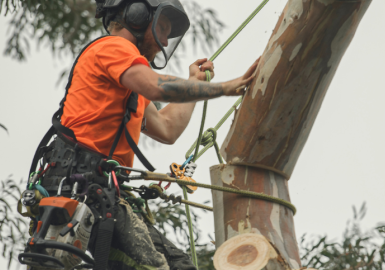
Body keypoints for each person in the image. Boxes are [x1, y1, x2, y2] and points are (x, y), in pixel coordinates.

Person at [25, 0, 259, 269]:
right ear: (136, 16)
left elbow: (167, 127)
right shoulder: (112, 47)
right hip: (84, 188)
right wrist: (225, 88)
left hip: (102, 194)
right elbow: (157, 87)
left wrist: (194, 84)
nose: (164, 43)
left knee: (179, 265)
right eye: (161, 28)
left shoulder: (128, 81)